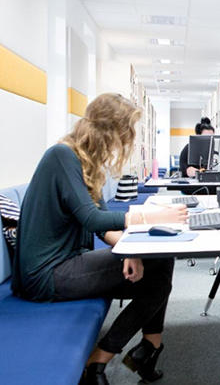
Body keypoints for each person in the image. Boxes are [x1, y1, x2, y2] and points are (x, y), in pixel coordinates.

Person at [11, 93, 189, 384]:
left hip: (67, 264)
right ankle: (107, 358)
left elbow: (102, 227)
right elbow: (92, 219)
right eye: (124, 133)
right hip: (45, 274)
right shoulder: (61, 156)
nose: (125, 141)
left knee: (160, 267)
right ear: (108, 131)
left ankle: (143, 349)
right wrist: (148, 218)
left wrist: (129, 250)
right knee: (159, 273)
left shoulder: (84, 161)